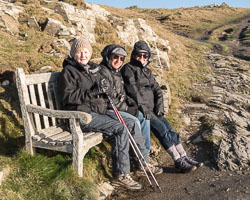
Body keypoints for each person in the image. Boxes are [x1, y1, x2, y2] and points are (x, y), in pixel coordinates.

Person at [56, 38, 160, 190]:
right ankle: (121, 175)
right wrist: (93, 92)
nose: (83, 55)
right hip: (81, 115)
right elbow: (68, 97)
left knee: (131, 122)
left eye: (86, 52)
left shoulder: (91, 69)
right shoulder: (68, 72)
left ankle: (142, 163)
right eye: (79, 52)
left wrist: (107, 91)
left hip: (99, 111)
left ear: (90, 54)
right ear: (73, 54)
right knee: (120, 128)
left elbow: (103, 89)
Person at [121, 40, 203, 173]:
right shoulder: (128, 69)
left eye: (145, 56)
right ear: (133, 55)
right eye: (139, 55)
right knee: (163, 132)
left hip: (154, 109)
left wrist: (160, 107)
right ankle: (177, 160)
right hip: (143, 110)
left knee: (171, 131)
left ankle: (184, 156)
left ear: (148, 57)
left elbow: (158, 90)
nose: (142, 58)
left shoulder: (147, 71)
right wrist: (145, 110)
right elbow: (133, 92)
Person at [99, 44, 162, 171]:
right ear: (107, 57)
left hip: (119, 107)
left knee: (143, 117)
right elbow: (109, 99)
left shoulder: (115, 72)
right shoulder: (103, 72)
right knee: (135, 121)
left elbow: (122, 93)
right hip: (108, 110)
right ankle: (140, 161)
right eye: (115, 57)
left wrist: (131, 104)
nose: (118, 61)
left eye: (122, 58)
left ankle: (146, 155)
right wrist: (127, 108)